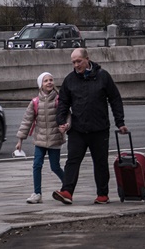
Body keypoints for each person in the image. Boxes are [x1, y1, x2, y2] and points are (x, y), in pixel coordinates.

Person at [51, 48, 127, 205]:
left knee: (100, 162)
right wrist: (61, 122)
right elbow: (63, 103)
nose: (76, 65)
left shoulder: (102, 76)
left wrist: (120, 122)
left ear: (87, 59)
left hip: (99, 129)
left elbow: (115, 99)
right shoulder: (70, 80)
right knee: (72, 160)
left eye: (79, 61)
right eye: (73, 62)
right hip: (77, 129)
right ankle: (67, 191)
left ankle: (102, 194)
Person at [14, 72, 67, 204]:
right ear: (40, 85)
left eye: (51, 80)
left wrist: (66, 126)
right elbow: (26, 121)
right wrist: (20, 140)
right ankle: (37, 193)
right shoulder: (35, 102)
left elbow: (67, 116)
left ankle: (68, 187)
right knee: (37, 165)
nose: (49, 82)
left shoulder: (59, 100)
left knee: (55, 167)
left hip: (55, 139)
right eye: (45, 81)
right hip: (40, 140)